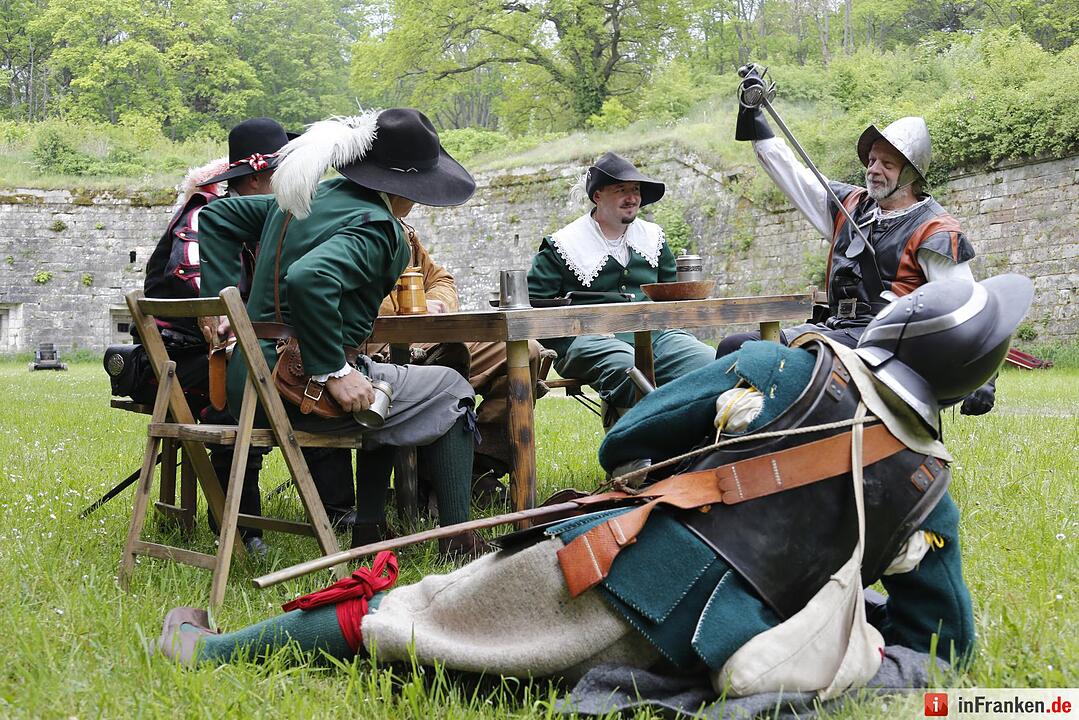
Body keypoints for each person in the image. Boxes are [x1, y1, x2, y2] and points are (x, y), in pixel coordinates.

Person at [157, 274, 1032, 702]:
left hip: (621, 576)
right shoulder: (928, 490)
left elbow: (624, 442)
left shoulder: (778, 369)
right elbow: (941, 646)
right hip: (724, 653)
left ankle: (210, 652)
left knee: (403, 608)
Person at [196, 108, 486, 559]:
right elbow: (310, 278)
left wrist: (219, 302)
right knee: (452, 388)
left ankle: (369, 530)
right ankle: (458, 543)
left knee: (382, 383)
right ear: (407, 187)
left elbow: (217, 218)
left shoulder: (311, 196)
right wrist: (333, 369)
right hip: (294, 388)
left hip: (246, 382)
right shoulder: (379, 228)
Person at [720, 64, 997, 415]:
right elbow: (794, 174)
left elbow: (968, 308)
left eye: (887, 164)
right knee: (734, 347)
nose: (873, 169)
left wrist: (984, 377)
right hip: (834, 331)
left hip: (887, 346)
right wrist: (755, 113)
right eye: (872, 160)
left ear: (910, 175)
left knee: (767, 358)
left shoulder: (935, 230)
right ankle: (731, 439)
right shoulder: (849, 205)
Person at [130, 117, 296, 557]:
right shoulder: (204, 217)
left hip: (222, 356)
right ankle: (242, 527)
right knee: (251, 382)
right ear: (258, 178)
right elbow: (203, 297)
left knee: (302, 371)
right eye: (284, 174)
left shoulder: (267, 224)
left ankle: (340, 512)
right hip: (175, 362)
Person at [313, 230, 544, 529]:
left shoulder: (403, 233)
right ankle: (433, 490)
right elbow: (332, 296)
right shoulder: (350, 228)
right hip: (373, 345)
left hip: (426, 334)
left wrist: (433, 300)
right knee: (448, 366)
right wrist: (405, 306)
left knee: (524, 352)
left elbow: (441, 280)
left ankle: (476, 466)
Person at [527, 152, 715, 424]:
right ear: (597, 196)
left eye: (635, 190)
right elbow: (535, 305)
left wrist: (673, 324)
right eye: (621, 190)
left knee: (710, 363)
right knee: (629, 370)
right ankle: (635, 445)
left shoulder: (653, 238)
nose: (632, 197)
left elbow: (670, 295)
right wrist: (569, 341)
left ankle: (701, 440)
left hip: (655, 335)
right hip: (588, 341)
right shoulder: (563, 245)